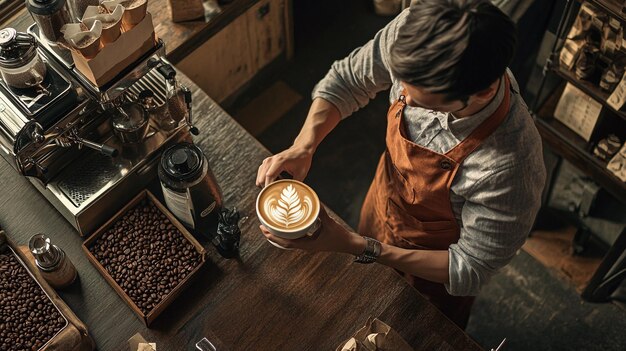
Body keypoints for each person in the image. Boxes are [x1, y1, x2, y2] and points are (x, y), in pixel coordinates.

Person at [256, 0, 546, 328]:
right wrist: (303, 146)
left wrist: (355, 245)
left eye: (423, 102)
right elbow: (348, 80)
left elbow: (471, 267)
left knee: (408, 329)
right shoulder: (415, 33)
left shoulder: (510, 167)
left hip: (431, 272)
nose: (402, 95)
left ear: (481, 93)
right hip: (382, 205)